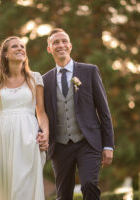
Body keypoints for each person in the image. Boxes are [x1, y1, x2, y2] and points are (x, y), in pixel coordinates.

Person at [42, 28, 114, 200]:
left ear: (70, 46)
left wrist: (108, 145)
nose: (61, 45)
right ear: (49, 49)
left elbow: (104, 111)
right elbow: (41, 114)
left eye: (64, 41)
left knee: (89, 185)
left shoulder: (89, 71)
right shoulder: (44, 81)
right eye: (55, 42)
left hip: (88, 142)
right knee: (63, 195)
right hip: (59, 146)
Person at [0, 36, 49, 200]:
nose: (20, 49)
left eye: (22, 46)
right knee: (4, 189)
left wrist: (45, 133)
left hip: (28, 139)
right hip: (2, 141)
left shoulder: (35, 78)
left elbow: (42, 112)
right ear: (5, 54)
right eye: (14, 46)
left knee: (24, 189)